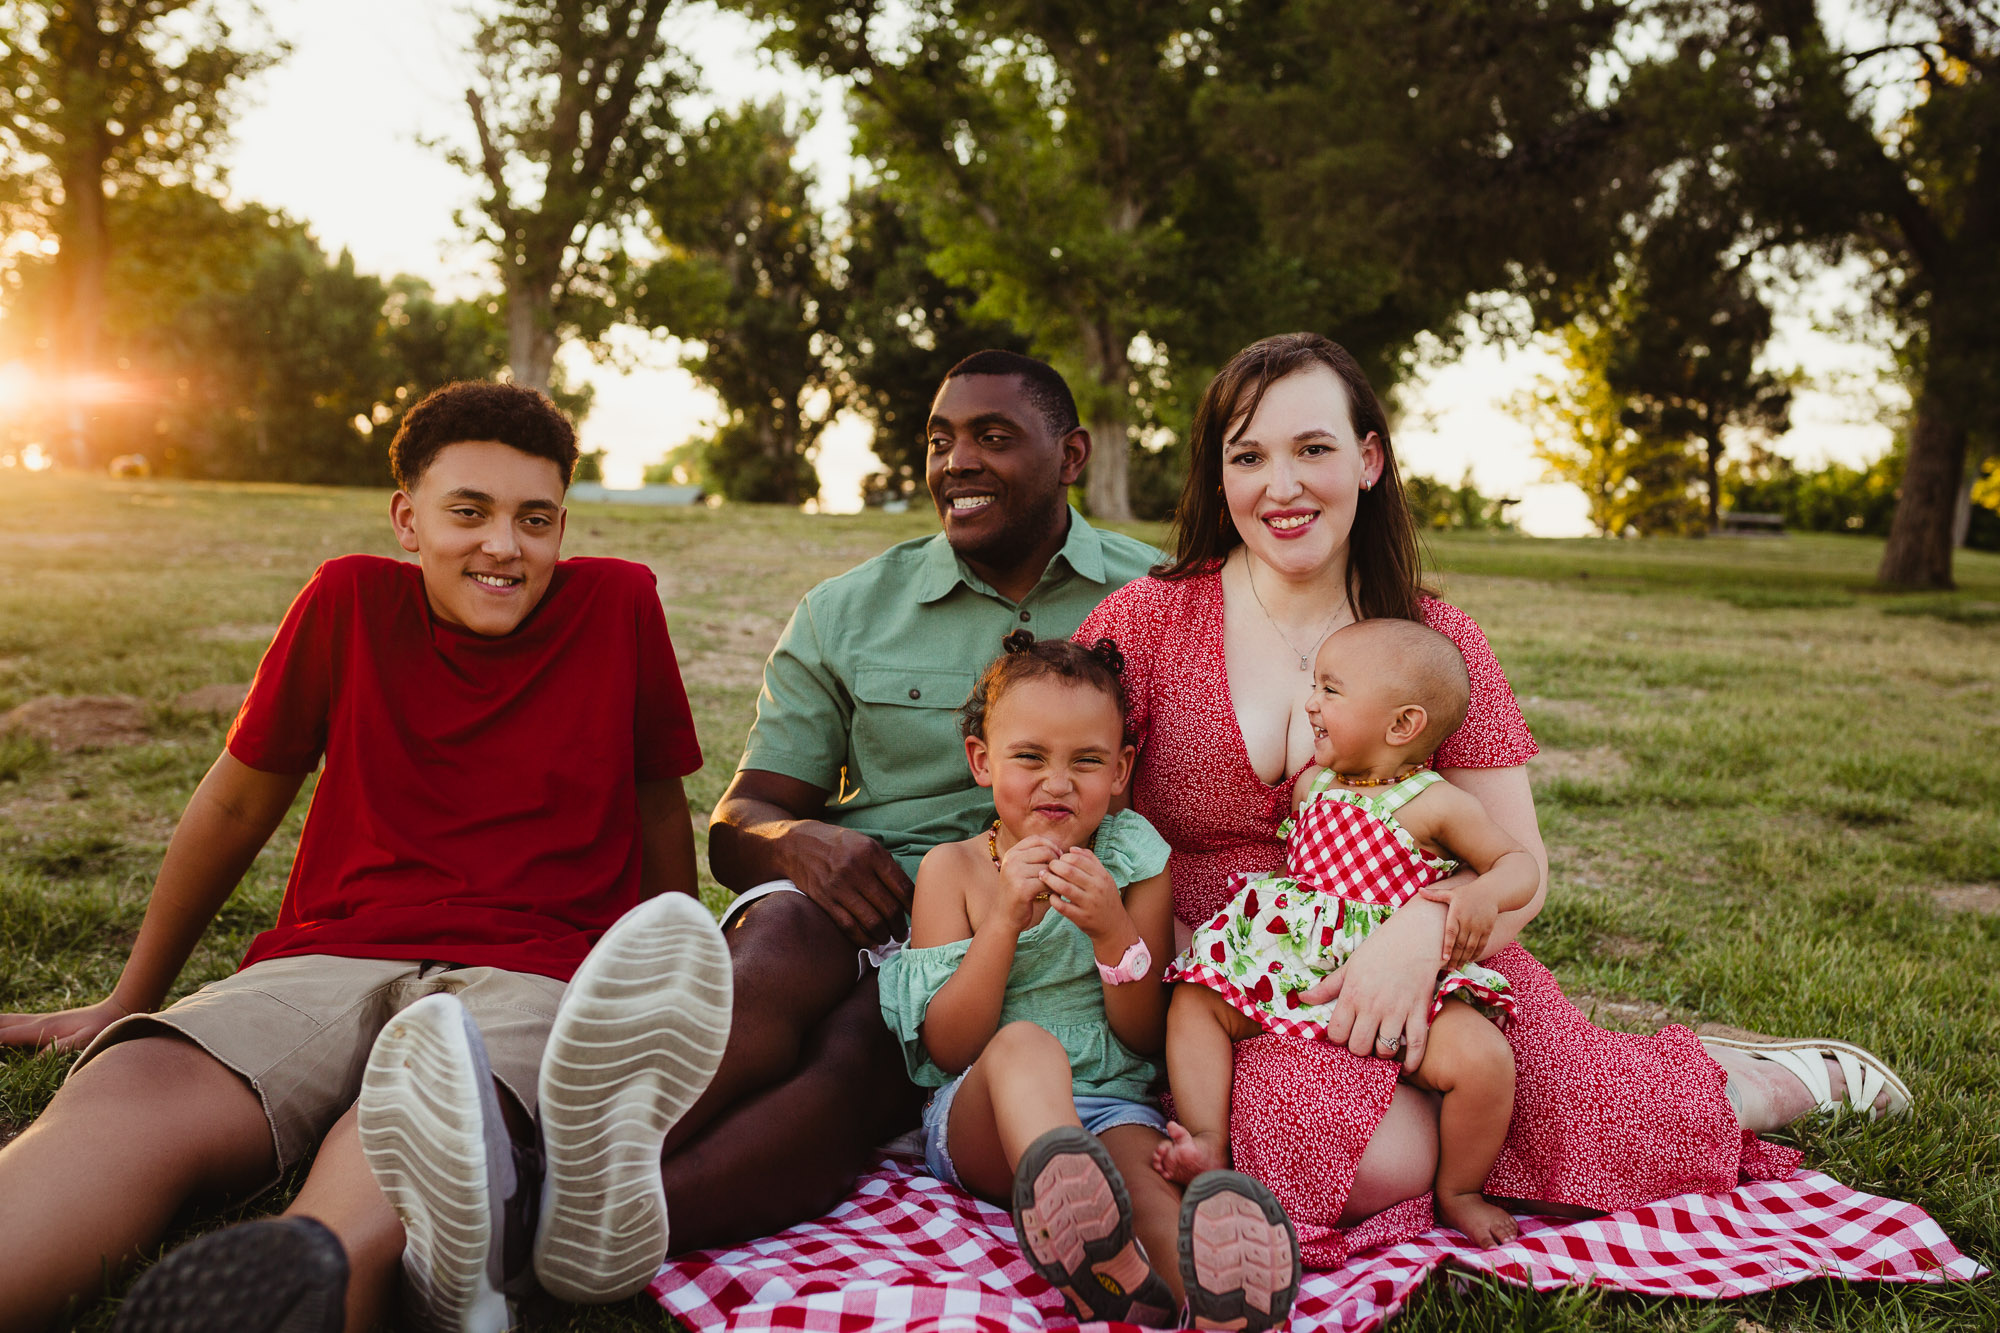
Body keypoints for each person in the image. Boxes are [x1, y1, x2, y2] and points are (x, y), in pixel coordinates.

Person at [1078, 332, 1912, 1264]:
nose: (1282, 485)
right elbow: (1069, 786)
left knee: (1579, 1115)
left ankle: (1764, 1077)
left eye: (1312, 448)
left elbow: (1522, 868)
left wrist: (1420, 939)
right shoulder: (1148, 619)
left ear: (1368, 457)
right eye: (1248, 455)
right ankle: (1426, 1132)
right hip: (1243, 978)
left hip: (1429, 961)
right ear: (1218, 474)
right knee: (1339, 1153)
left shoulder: (1437, 640)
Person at [441, 350, 1168, 1310]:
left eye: (995, 437)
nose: (959, 461)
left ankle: (557, 1228)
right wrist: (799, 842)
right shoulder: (847, 610)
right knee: (776, 944)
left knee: (855, 1062)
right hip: (864, 899)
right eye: (941, 440)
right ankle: (533, 1152)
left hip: (1018, 936)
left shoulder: (1157, 595)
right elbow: (739, 817)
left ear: (1070, 454)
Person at [0, 381, 722, 1333]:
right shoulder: (347, 599)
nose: (504, 544)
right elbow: (232, 803)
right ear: (408, 518)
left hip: (531, 970)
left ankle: (304, 1277)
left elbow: (657, 811)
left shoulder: (619, 604)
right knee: (133, 1086)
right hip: (329, 957)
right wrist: (131, 994)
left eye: (534, 518)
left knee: (419, 1126)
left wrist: (665, 1007)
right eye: (469, 511)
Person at [878, 630, 1301, 1331]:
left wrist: (1113, 933)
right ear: (982, 760)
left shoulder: (1134, 859)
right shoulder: (953, 871)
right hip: (984, 1112)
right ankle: (1063, 1205)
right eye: (1030, 756)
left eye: (1087, 760)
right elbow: (948, 1047)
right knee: (1024, 1045)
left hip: (1113, 1103)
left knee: (1150, 1191)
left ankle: (1208, 1303)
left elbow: (1142, 1035)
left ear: (1120, 768)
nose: (1058, 780)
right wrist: (1004, 924)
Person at [1156, 618, 1538, 1247]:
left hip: (1395, 976)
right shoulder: (1314, 784)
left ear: (1401, 726)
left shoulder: (1435, 804)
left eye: (1330, 691)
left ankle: (1460, 1189)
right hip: (1298, 963)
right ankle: (1206, 1141)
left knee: (1484, 1060)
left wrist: (1480, 894)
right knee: (1196, 1000)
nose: (1309, 702)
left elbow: (1517, 864)